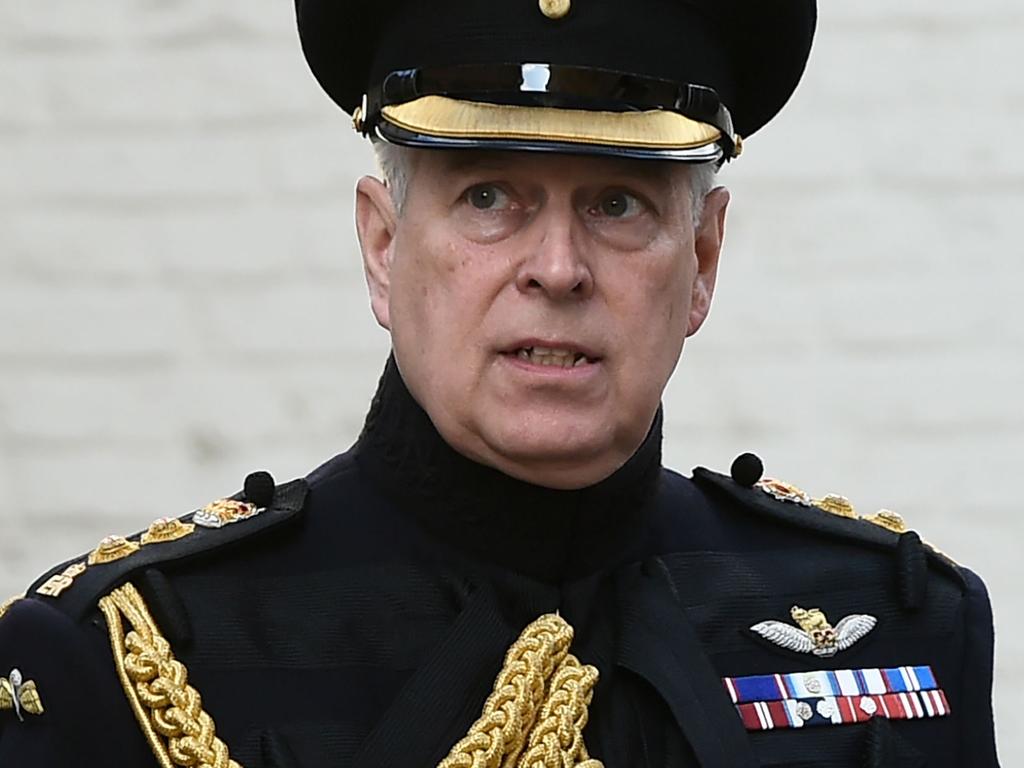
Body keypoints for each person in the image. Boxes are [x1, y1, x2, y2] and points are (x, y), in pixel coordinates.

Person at [0, 1, 1000, 766]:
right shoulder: (132, 662)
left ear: (700, 259)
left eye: (616, 203)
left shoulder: (895, 621)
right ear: (383, 248)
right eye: (488, 197)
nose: (556, 267)